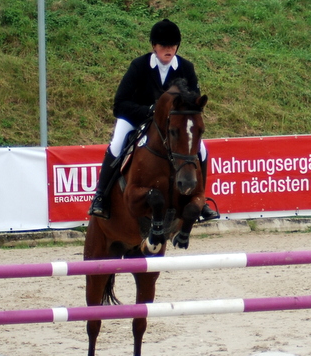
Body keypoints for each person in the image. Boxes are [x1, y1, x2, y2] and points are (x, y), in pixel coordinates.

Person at [88, 19, 220, 222]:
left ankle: (199, 199)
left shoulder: (186, 67)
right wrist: (149, 110)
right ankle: (100, 196)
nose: (169, 49)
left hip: (172, 124)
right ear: (154, 46)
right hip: (137, 117)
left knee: (201, 149)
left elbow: (193, 102)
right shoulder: (139, 66)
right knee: (117, 144)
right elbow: (120, 103)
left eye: (172, 46)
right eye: (164, 46)